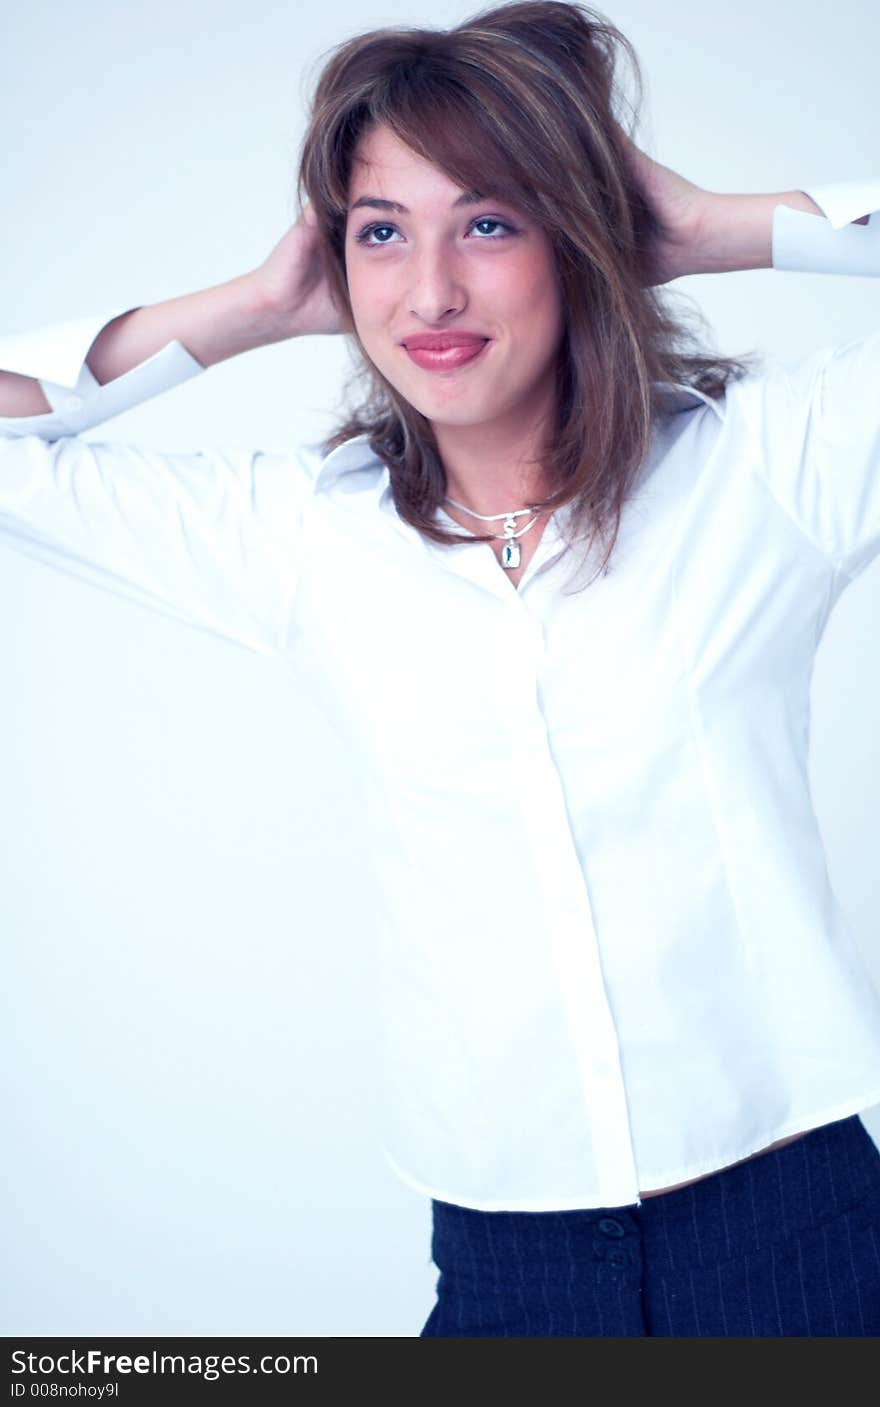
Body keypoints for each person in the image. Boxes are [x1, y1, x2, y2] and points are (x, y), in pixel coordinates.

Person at [2, 0, 880, 1336]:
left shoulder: (768, 475)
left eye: (487, 220)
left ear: (578, 234)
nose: (429, 294)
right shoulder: (306, 540)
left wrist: (721, 228)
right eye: (380, 232)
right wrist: (250, 309)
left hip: (796, 1237)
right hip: (500, 1266)